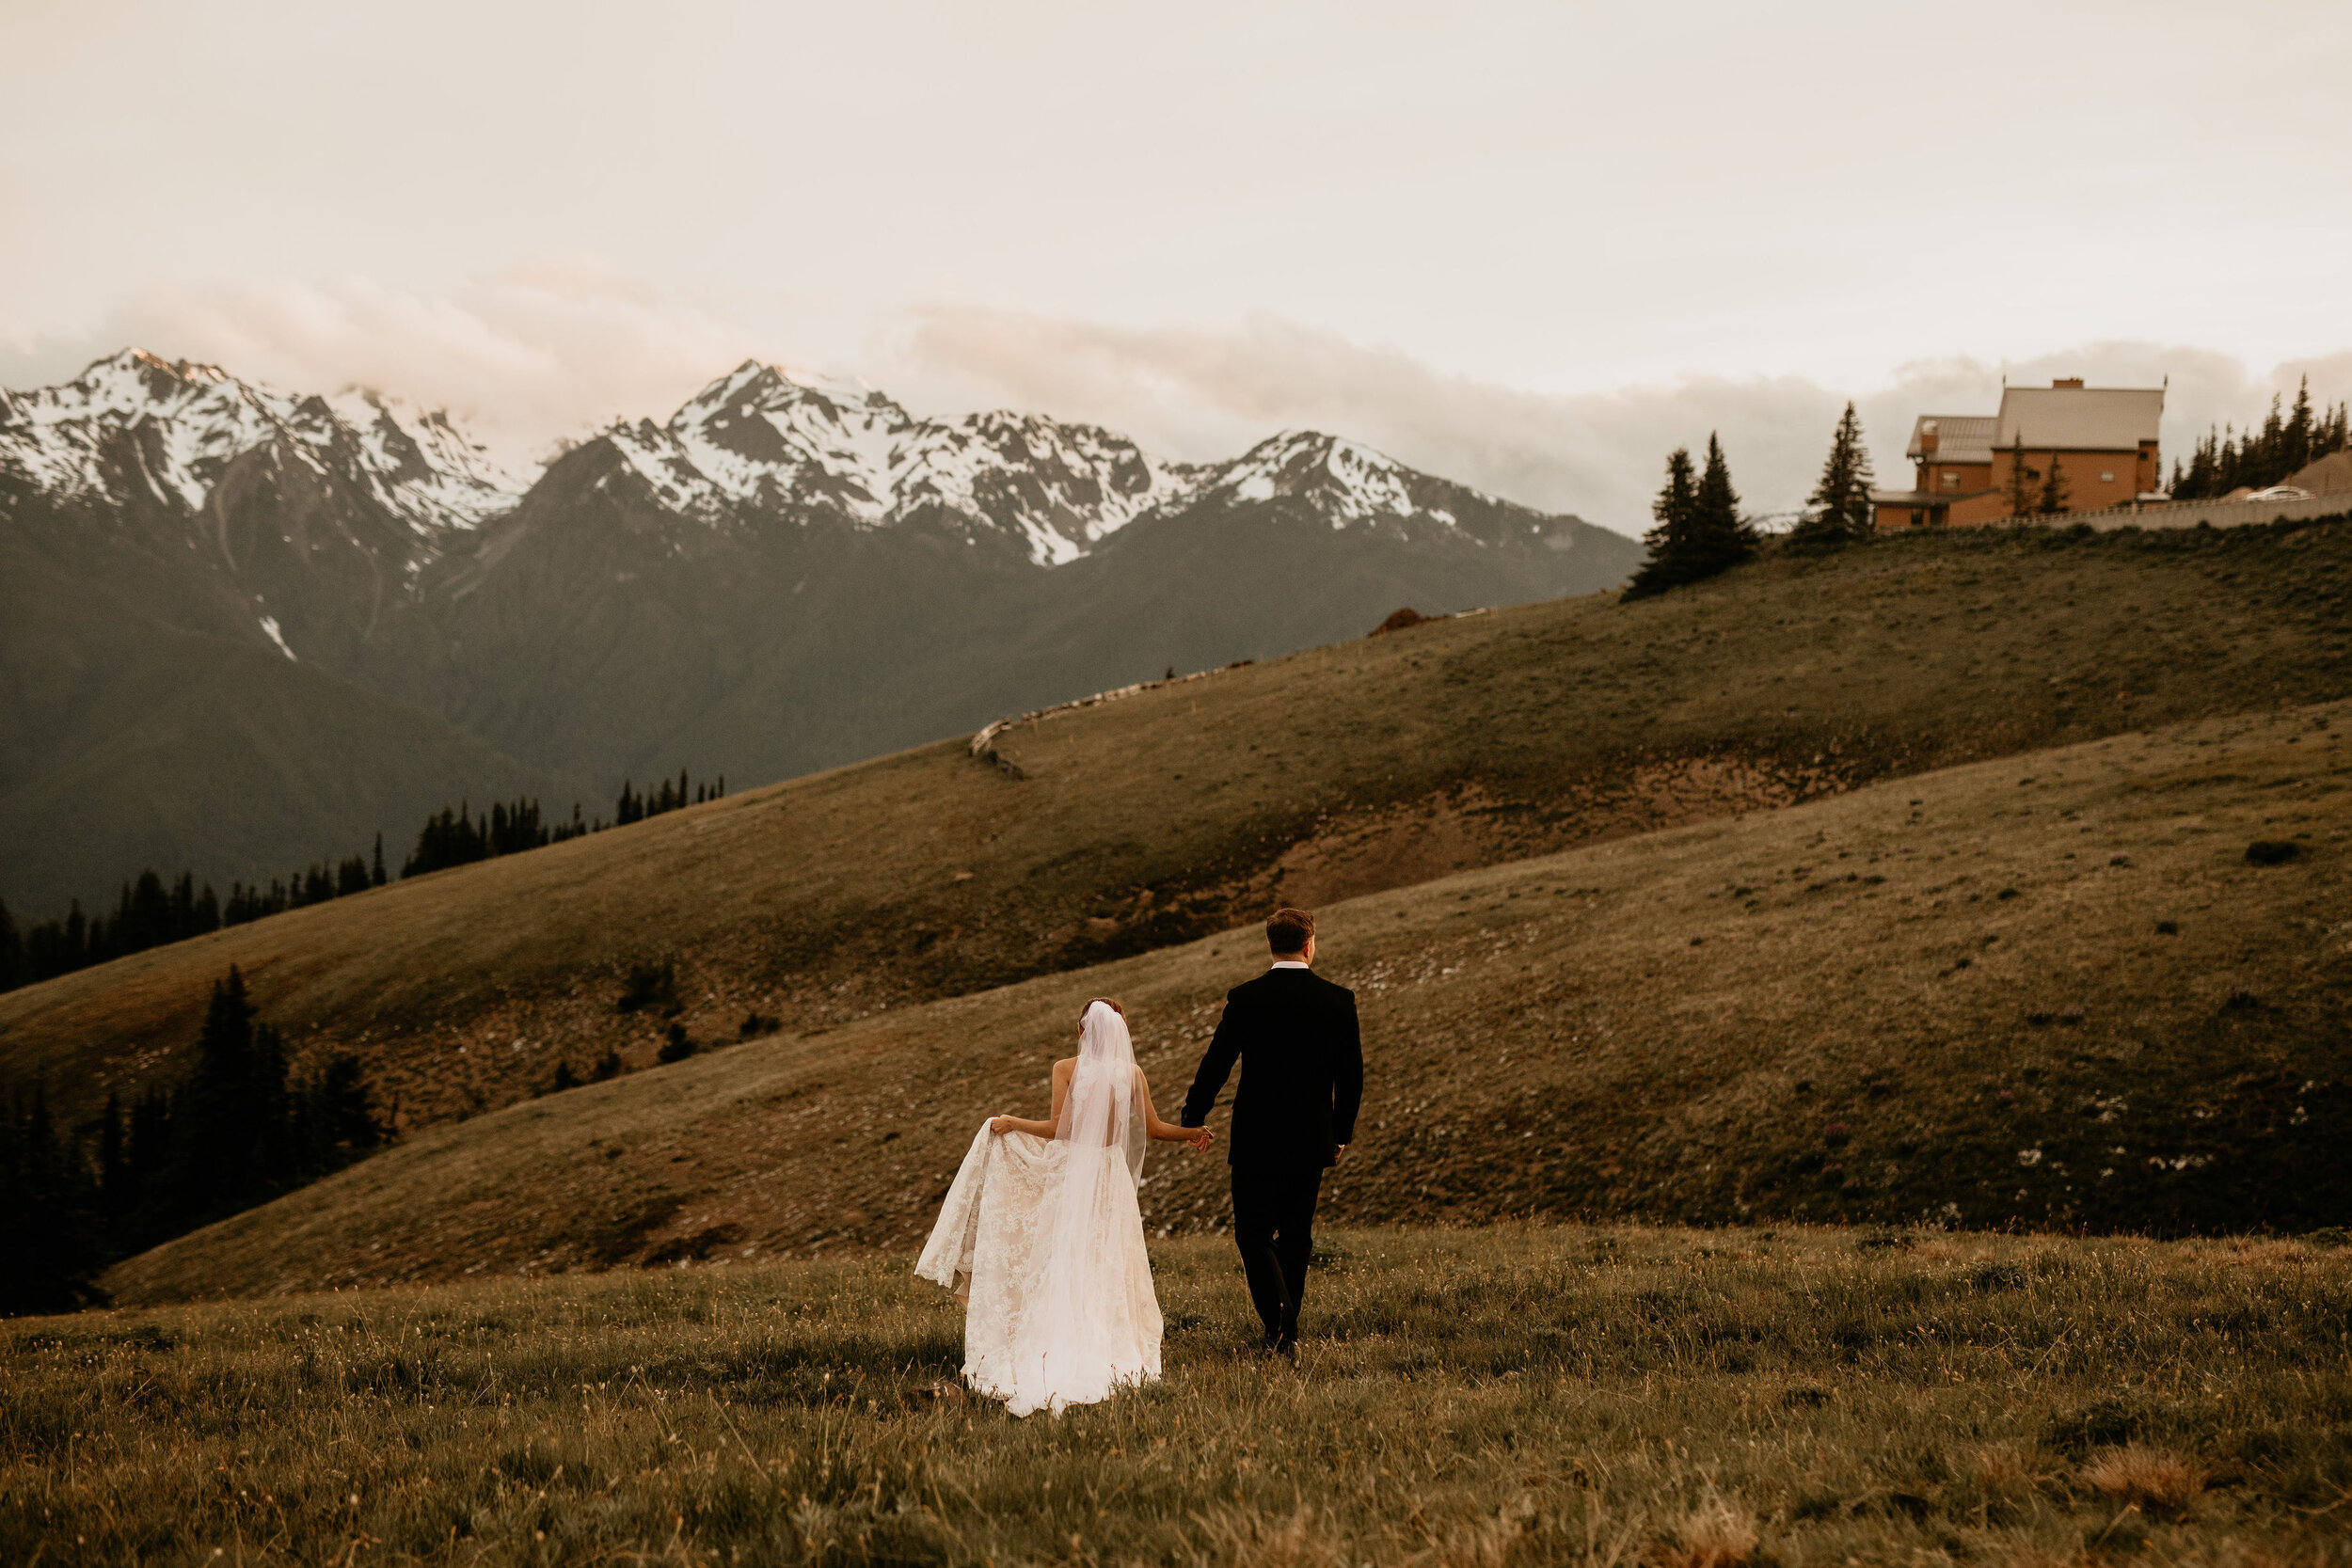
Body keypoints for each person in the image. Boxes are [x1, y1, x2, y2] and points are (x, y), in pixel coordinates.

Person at [915, 998, 1211, 1415]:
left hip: (1074, 1174)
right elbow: (1156, 1128)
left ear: (1080, 1031)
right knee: (1103, 1263)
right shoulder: (1132, 1073)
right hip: (1111, 1180)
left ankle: (1049, 1343)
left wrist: (1012, 1123)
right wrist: (1194, 1133)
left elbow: (1059, 1129)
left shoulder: (1066, 1068)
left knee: (1062, 1260)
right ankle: (1102, 1342)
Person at [1180, 907, 1363, 1357]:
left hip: (1256, 1136)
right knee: (1297, 1234)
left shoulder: (1247, 998)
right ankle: (1284, 1326)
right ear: (1309, 945)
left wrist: (1193, 1115)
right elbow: (1351, 1076)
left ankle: (1280, 1326)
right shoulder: (1338, 1000)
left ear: (1271, 945)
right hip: (1310, 1134)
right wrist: (1340, 1134)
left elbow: (1216, 1062)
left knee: (1253, 1234)